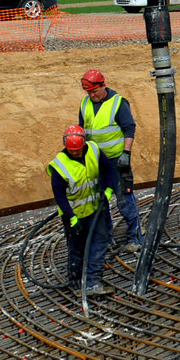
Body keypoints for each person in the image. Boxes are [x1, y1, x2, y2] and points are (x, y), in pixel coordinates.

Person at [78, 68, 142, 245]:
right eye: (88, 92)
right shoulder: (85, 104)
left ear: (103, 85)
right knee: (100, 202)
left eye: (94, 91)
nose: (92, 95)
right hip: (96, 163)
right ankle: (106, 239)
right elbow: (83, 130)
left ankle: (135, 238)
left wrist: (126, 154)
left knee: (125, 200)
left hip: (116, 162)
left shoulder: (118, 103)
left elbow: (129, 128)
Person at [48, 124, 111, 292]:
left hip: (94, 209)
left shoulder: (94, 150)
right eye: (72, 150)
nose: (75, 153)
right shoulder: (60, 166)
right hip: (74, 215)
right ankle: (76, 283)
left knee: (100, 241)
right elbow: (59, 195)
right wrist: (72, 217)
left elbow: (108, 168)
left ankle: (93, 281)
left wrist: (109, 188)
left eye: (78, 150)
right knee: (77, 248)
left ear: (84, 144)